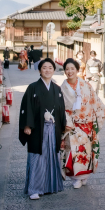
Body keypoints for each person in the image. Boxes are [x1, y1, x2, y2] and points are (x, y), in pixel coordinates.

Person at [19, 58, 67, 200]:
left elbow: (61, 109)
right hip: (37, 128)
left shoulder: (57, 89)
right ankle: (34, 188)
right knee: (37, 157)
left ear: (54, 70)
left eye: (50, 68)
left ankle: (50, 186)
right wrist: (27, 125)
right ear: (40, 70)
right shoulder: (33, 87)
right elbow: (26, 107)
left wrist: (62, 125)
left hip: (53, 129)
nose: (47, 70)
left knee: (52, 155)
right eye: (44, 68)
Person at [61, 58, 105, 188]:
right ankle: (75, 178)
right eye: (67, 69)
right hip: (72, 124)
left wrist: (102, 112)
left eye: (72, 69)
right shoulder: (63, 87)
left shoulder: (85, 84)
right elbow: (61, 106)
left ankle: (85, 176)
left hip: (87, 123)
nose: (70, 71)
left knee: (86, 152)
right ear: (64, 71)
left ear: (78, 70)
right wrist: (67, 121)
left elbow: (95, 100)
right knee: (73, 152)